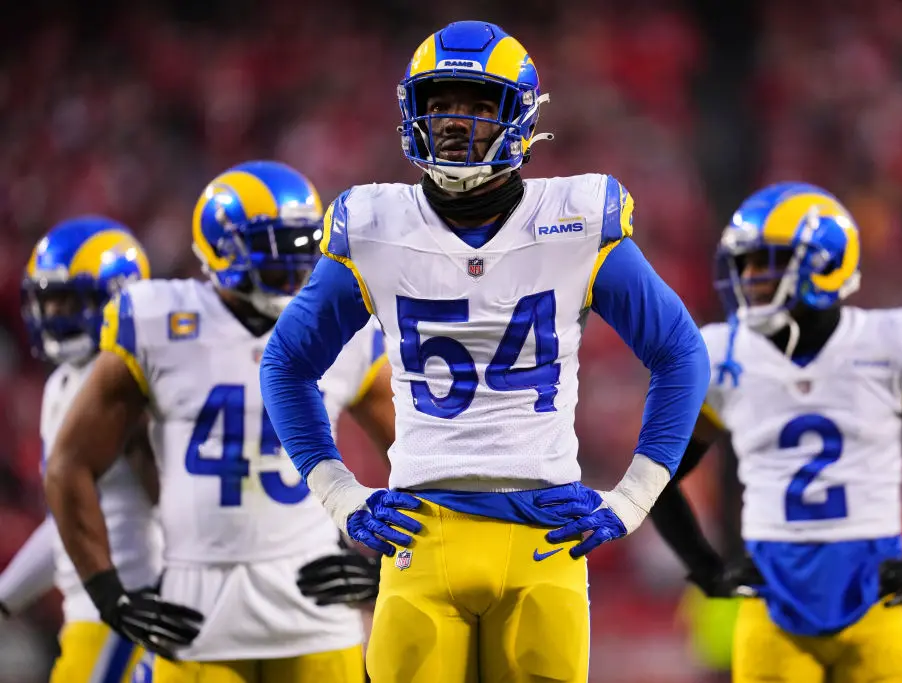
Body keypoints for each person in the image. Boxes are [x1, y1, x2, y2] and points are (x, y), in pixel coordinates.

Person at [259, 19, 711, 683]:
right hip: (422, 530)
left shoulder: (576, 220)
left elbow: (680, 352)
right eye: (440, 102)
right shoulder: (374, 226)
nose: (453, 121)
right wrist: (338, 492)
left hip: (544, 533)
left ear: (522, 119)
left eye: (477, 103)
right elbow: (287, 362)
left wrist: (634, 496)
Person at [44, 161, 394, 683]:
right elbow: (68, 465)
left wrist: (385, 569)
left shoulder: (347, 330)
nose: (294, 267)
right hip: (197, 619)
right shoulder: (159, 320)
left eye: (301, 247)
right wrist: (107, 593)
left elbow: (426, 453)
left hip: (316, 618)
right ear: (220, 247)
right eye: (273, 251)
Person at [649, 182, 902, 682]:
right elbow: (657, 472)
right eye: (746, 264)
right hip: (773, 610)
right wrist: (703, 566)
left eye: (766, 262)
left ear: (825, 263)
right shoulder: (725, 356)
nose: (750, 278)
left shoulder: (888, 345)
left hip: (872, 601)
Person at [0, 216, 160, 683]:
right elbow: (68, 521)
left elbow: (176, 504)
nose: (54, 315)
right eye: (48, 301)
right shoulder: (63, 385)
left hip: (128, 608)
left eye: (70, 300)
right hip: (93, 612)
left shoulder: (136, 383)